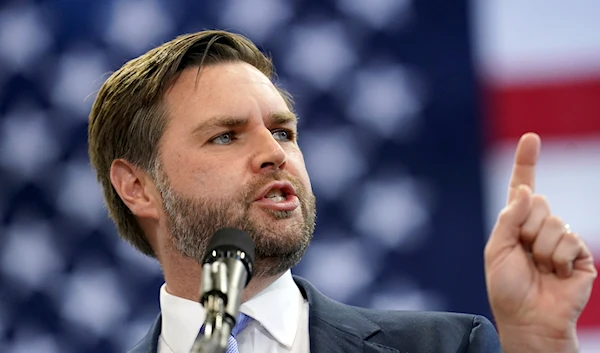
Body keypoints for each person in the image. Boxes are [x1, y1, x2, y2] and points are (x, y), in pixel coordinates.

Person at [88, 30, 597, 353]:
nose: (276, 154)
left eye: (284, 132)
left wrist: (540, 345)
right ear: (137, 187)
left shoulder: (444, 346)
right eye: (226, 135)